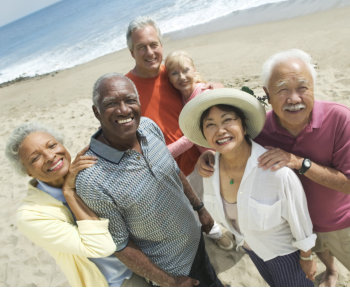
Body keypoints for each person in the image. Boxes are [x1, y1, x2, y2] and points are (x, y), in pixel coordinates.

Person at [196, 49, 350, 287]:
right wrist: (209, 156)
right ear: (267, 94)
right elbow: (234, 144)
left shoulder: (340, 118)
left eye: (302, 87)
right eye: (282, 90)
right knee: (323, 258)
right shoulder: (261, 130)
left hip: (340, 222)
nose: (294, 98)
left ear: (313, 87)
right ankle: (330, 271)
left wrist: (299, 163)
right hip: (296, 225)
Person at [75, 73, 223, 287]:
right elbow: (121, 245)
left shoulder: (148, 127)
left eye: (130, 100)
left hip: (197, 241)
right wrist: (171, 282)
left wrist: (200, 209)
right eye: (111, 104)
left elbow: (172, 171)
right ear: (96, 112)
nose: (124, 109)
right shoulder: (91, 179)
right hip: (174, 269)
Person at [179, 87, 317, 287]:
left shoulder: (276, 173)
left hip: (284, 254)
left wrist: (306, 257)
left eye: (227, 120)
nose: (220, 130)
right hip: (251, 250)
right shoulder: (209, 171)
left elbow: (300, 221)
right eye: (210, 125)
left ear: (243, 126)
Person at [5, 122, 139, 287]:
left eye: (52, 145)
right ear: (28, 172)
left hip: (151, 257)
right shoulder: (31, 216)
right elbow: (101, 247)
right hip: (118, 282)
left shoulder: (90, 167)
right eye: (35, 158)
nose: (50, 156)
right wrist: (69, 192)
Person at [165, 50, 233, 251]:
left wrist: (164, 154)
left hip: (225, 154)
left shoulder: (202, 94)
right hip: (213, 158)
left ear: (194, 70)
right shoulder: (182, 98)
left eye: (186, 70)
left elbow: (191, 136)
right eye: (175, 73)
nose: (182, 77)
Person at [125, 16, 200, 177]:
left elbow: (202, 89)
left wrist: (216, 86)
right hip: (166, 176)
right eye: (141, 47)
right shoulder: (125, 88)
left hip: (201, 163)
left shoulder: (175, 73)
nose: (150, 52)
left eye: (153, 45)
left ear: (161, 45)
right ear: (132, 53)